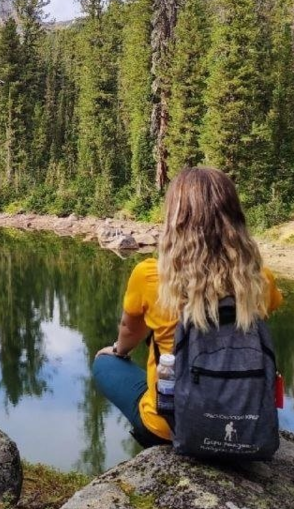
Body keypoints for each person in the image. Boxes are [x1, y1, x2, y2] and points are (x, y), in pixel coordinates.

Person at [91, 166, 283, 446]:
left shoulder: (151, 276)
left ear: (175, 220)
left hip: (169, 428)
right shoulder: (259, 280)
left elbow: (130, 332)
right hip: (243, 425)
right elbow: (268, 310)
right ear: (235, 219)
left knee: (106, 363)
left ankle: (168, 428)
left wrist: (118, 351)